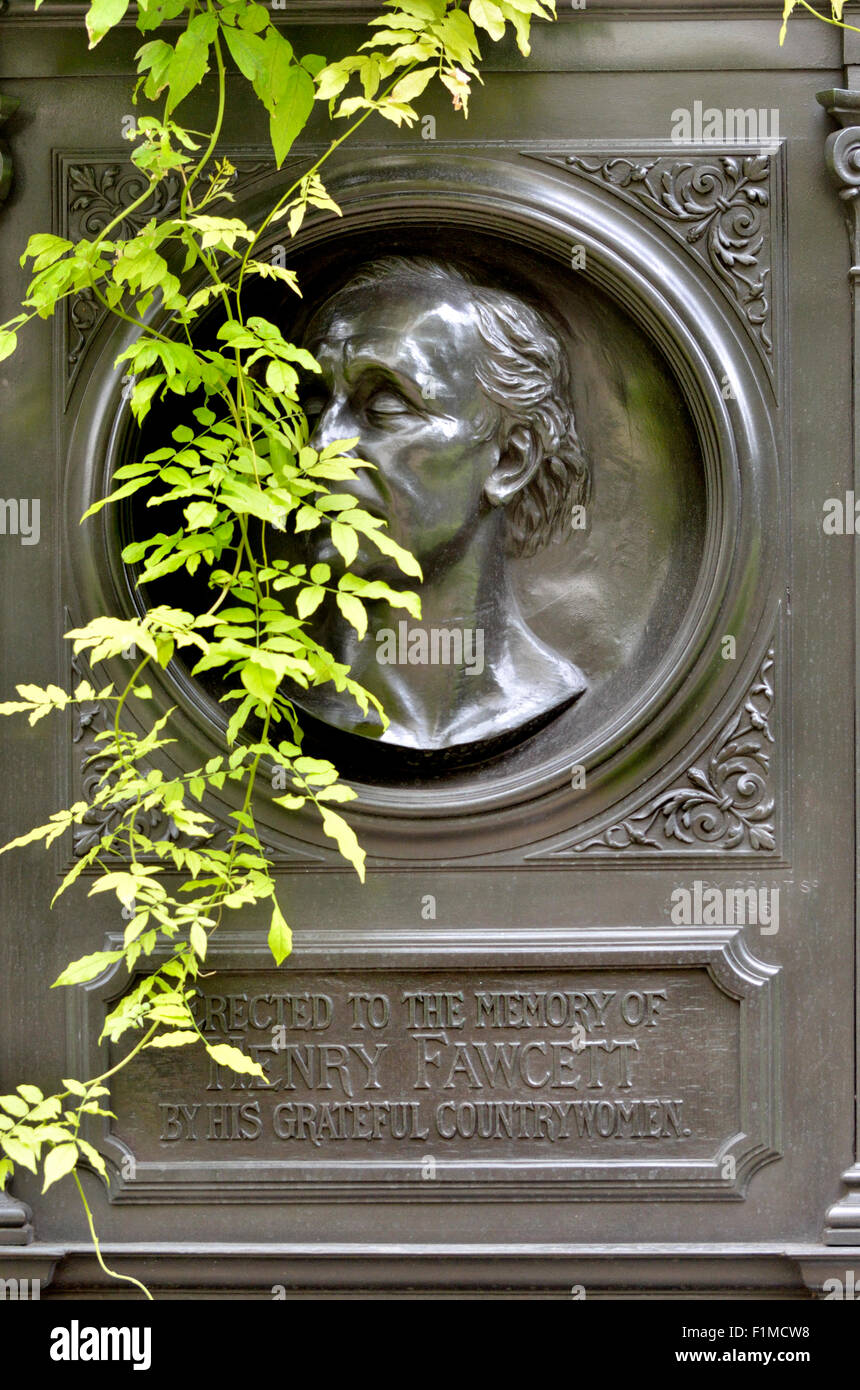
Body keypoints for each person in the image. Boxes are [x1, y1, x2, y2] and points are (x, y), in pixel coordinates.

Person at [291, 255, 591, 756]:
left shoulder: (540, 695)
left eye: (385, 407)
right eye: (314, 408)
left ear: (510, 461)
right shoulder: (276, 690)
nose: (319, 448)